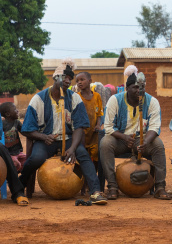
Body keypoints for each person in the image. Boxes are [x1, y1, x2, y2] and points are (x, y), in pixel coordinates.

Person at [20, 58, 107, 204]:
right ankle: (19, 187)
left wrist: (73, 148)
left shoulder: (74, 99)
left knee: (83, 155)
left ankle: (95, 192)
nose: (67, 81)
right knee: (35, 158)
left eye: (69, 79)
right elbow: (28, 129)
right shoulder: (38, 99)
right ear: (55, 78)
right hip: (46, 140)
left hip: (69, 140)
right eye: (64, 78)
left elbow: (79, 126)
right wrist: (42, 137)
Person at [100, 65, 171, 200]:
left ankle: (160, 187)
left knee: (158, 144)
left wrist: (146, 142)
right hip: (120, 139)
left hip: (142, 140)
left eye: (142, 87)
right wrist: (124, 137)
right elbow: (108, 127)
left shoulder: (152, 102)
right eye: (136, 87)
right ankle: (112, 186)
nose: (139, 90)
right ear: (127, 88)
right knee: (105, 143)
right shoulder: (115, 100)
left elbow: (155, 127)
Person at [76, 72, 103, 168]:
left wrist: (98, 125)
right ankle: (84, 181)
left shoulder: (97, 97)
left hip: (94, 134)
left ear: (90, 81)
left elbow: (99, 113)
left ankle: (93, 176)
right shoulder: (77, 97)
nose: (79, 82)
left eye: (82, 80)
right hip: (81, 135)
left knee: (96, 156)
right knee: (82, 158)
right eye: (77, 81)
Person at [0, 102, 26, 172]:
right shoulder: (2, 124)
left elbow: (25, 132)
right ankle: (11, 179)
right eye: (15, 109)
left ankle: (19, 178)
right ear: (8, 114)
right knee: (16, 164)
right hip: (8, 153)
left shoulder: (17, 122)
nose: (17, 110)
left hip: (18, 151)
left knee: (27, 160)